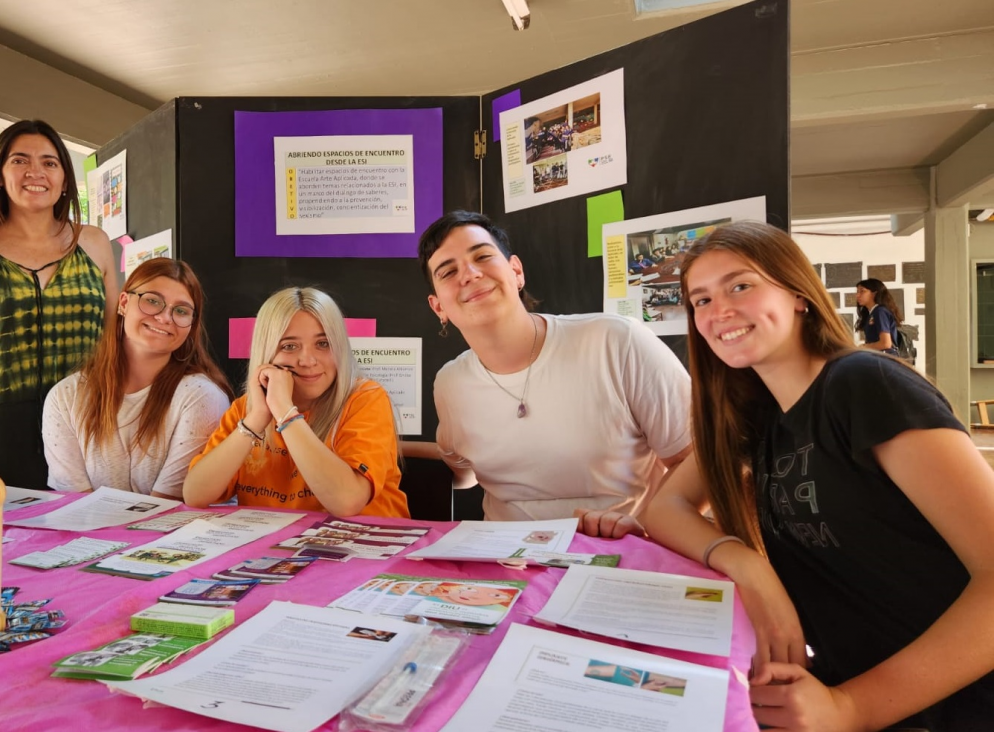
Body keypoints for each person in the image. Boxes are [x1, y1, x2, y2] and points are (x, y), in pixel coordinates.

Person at [580, 221, 994, 730]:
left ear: (798, 294)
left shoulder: (864, 385)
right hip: (841, 689)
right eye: (701, 300)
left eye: (740, 285)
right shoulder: (759, 416)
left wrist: (852, 708)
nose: (719, 312)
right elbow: (665, 508)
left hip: (951, 707)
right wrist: (753, 572)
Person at [417, 211, 691, 528]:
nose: (469, 274)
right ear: (439, 307)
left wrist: (652, 528)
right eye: (447, 272)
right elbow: (462, 472)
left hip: (622, 555)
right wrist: (383, 447)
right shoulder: (451, 383)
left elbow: (698, 462)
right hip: (505, 562)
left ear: (516, 272)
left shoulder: (615, 341)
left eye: (482, 256)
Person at [184, 286, 409, 518]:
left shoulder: (366, 398)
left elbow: (347, 502)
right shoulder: (246, 409)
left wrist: (285, 412)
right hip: (279, 546)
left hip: (368, 544)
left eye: (323, 344)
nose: (308, 360)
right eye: (289, 346)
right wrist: (257, 419)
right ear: (268, 353)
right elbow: (195, 495)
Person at [42, 259, 233, 498]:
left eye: (181, 311)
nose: (165, 318)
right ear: (123, 303)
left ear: (191, 324)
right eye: (152, 301)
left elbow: (168, 507)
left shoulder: (202, 397)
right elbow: (74, 506)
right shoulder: (65, 396)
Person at [0, 120, 118, 489]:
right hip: (5, 424)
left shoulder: (94, 242)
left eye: (50, 162)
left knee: (88, 537)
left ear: (66, 179)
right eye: (20, 160)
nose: (35, 171)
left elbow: (118, 334)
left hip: (86, 420)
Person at [855, 277, 901, 355]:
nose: (857, 295)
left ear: (874, 293)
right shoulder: (873, 313)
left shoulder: (880, 311)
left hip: (884, 360)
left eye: (862, 291)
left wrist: (864, 347)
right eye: (857, 292)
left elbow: (886, 343)